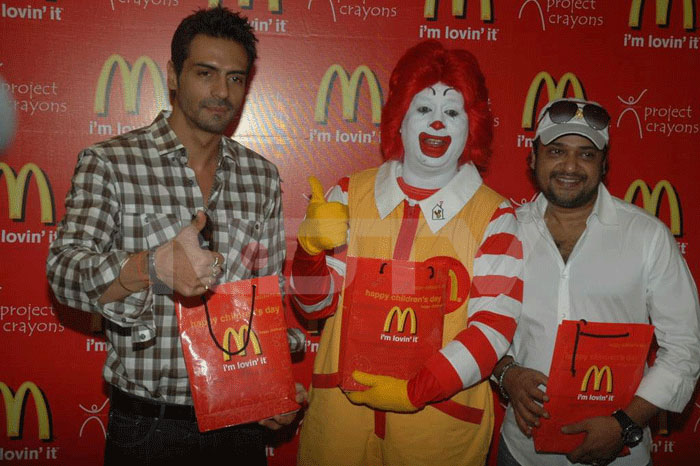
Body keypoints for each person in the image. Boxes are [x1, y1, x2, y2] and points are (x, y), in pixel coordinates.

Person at [47, 7, 302, 465]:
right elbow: (64, 275)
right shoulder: (111, 162)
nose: (222, 92)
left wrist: (273, 387)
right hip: (149, 428)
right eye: (206, 73)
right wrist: (149, 267)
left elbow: (265, 297)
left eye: (236, 78)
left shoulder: (262, 176)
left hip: (241, 425)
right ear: (172, 75)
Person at [290, 40, 523, 466]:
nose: (437, 125)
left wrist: (419, 388)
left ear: (472, 126)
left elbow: (493, 327)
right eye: (423, 109)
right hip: (341, 426)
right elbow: (312, 305)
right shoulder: (348, 194)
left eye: (452, 113)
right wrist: (309, 252)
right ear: (399, 120)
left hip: (438, 433)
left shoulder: (496, 216)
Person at [492, 97, 700, 466]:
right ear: (532, 158)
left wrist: (624, 423)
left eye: (586, 154)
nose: (570, 165)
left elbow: (685, 348)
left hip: (622, 455)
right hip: (522, 453)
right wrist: (506, 372)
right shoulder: (504, 232)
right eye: (556, 150)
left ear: (604, 164)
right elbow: (473, 324)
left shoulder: (647, 236)